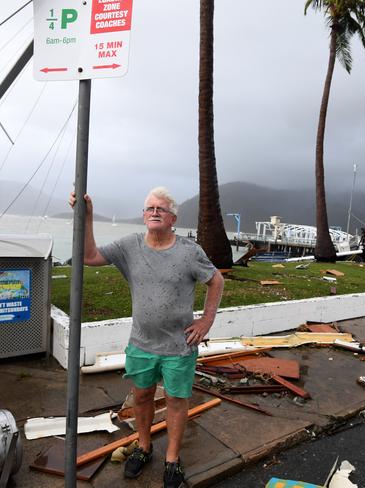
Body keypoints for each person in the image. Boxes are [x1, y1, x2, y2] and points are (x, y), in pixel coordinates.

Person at [69, 187, 224, 488]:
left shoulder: (189, 252)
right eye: (149, 208)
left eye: (161, 208)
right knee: (141, 397)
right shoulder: (130, 246)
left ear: (173, 218)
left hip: (179, 346)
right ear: (144, 215)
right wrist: (87, 216)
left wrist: (206, 320)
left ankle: (173, 460)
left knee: (177, 401)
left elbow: (216, 280)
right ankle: (144, 447)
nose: (154, 212)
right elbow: (89, 256)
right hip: (141, 343)